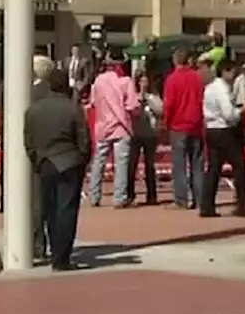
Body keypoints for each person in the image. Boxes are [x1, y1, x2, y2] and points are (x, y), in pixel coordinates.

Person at [25, 56, 92, 271]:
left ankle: (53, 250)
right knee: (66, 210)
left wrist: (36, 159)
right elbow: (84, 139)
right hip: (69, 162)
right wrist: (82, 160)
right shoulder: (73, 108)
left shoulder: (34, 109)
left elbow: (28, 140)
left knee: (50, 209)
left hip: (45, 163)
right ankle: (61, 256)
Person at [199, 60, 245, 217]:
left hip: (212, 129)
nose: (235, 76)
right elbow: (228, 114)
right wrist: (241, 110)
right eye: (234, 72)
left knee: (214, 168)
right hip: (224, 130)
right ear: (226, 71)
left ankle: (207, 205)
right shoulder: (221, 89)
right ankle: (241, 202)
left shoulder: (210, 88)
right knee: (239, 166)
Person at [87, 57, 139, 208]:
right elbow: (132, 106)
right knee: (121, 163)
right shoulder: (126, 81)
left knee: (99, 162)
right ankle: (119, 197)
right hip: (121, 126)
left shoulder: (98, 81)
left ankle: (94, 196)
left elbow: (93, 102)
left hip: (103, 125)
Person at [163, 48, 205, 210]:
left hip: (178, 125)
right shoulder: (197, 78)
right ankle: (199, 198)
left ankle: (181, 199)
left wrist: (166, 123)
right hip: (196, 124)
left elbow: (169, 104)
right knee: (197, 164)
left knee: (179, 164)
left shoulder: (172, 79)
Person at [126, 71, 162, 206]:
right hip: (135, 133)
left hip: (150, 133)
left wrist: (149, 99)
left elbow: (160, 109)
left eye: (146, 81)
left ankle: (152, 195)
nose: (144, 84)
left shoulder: (153, 96)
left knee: (150, 165)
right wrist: (138, 99)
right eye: (141, 82)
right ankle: (129, 194)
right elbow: (130, 111)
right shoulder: (132, 96)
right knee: (132, 164)